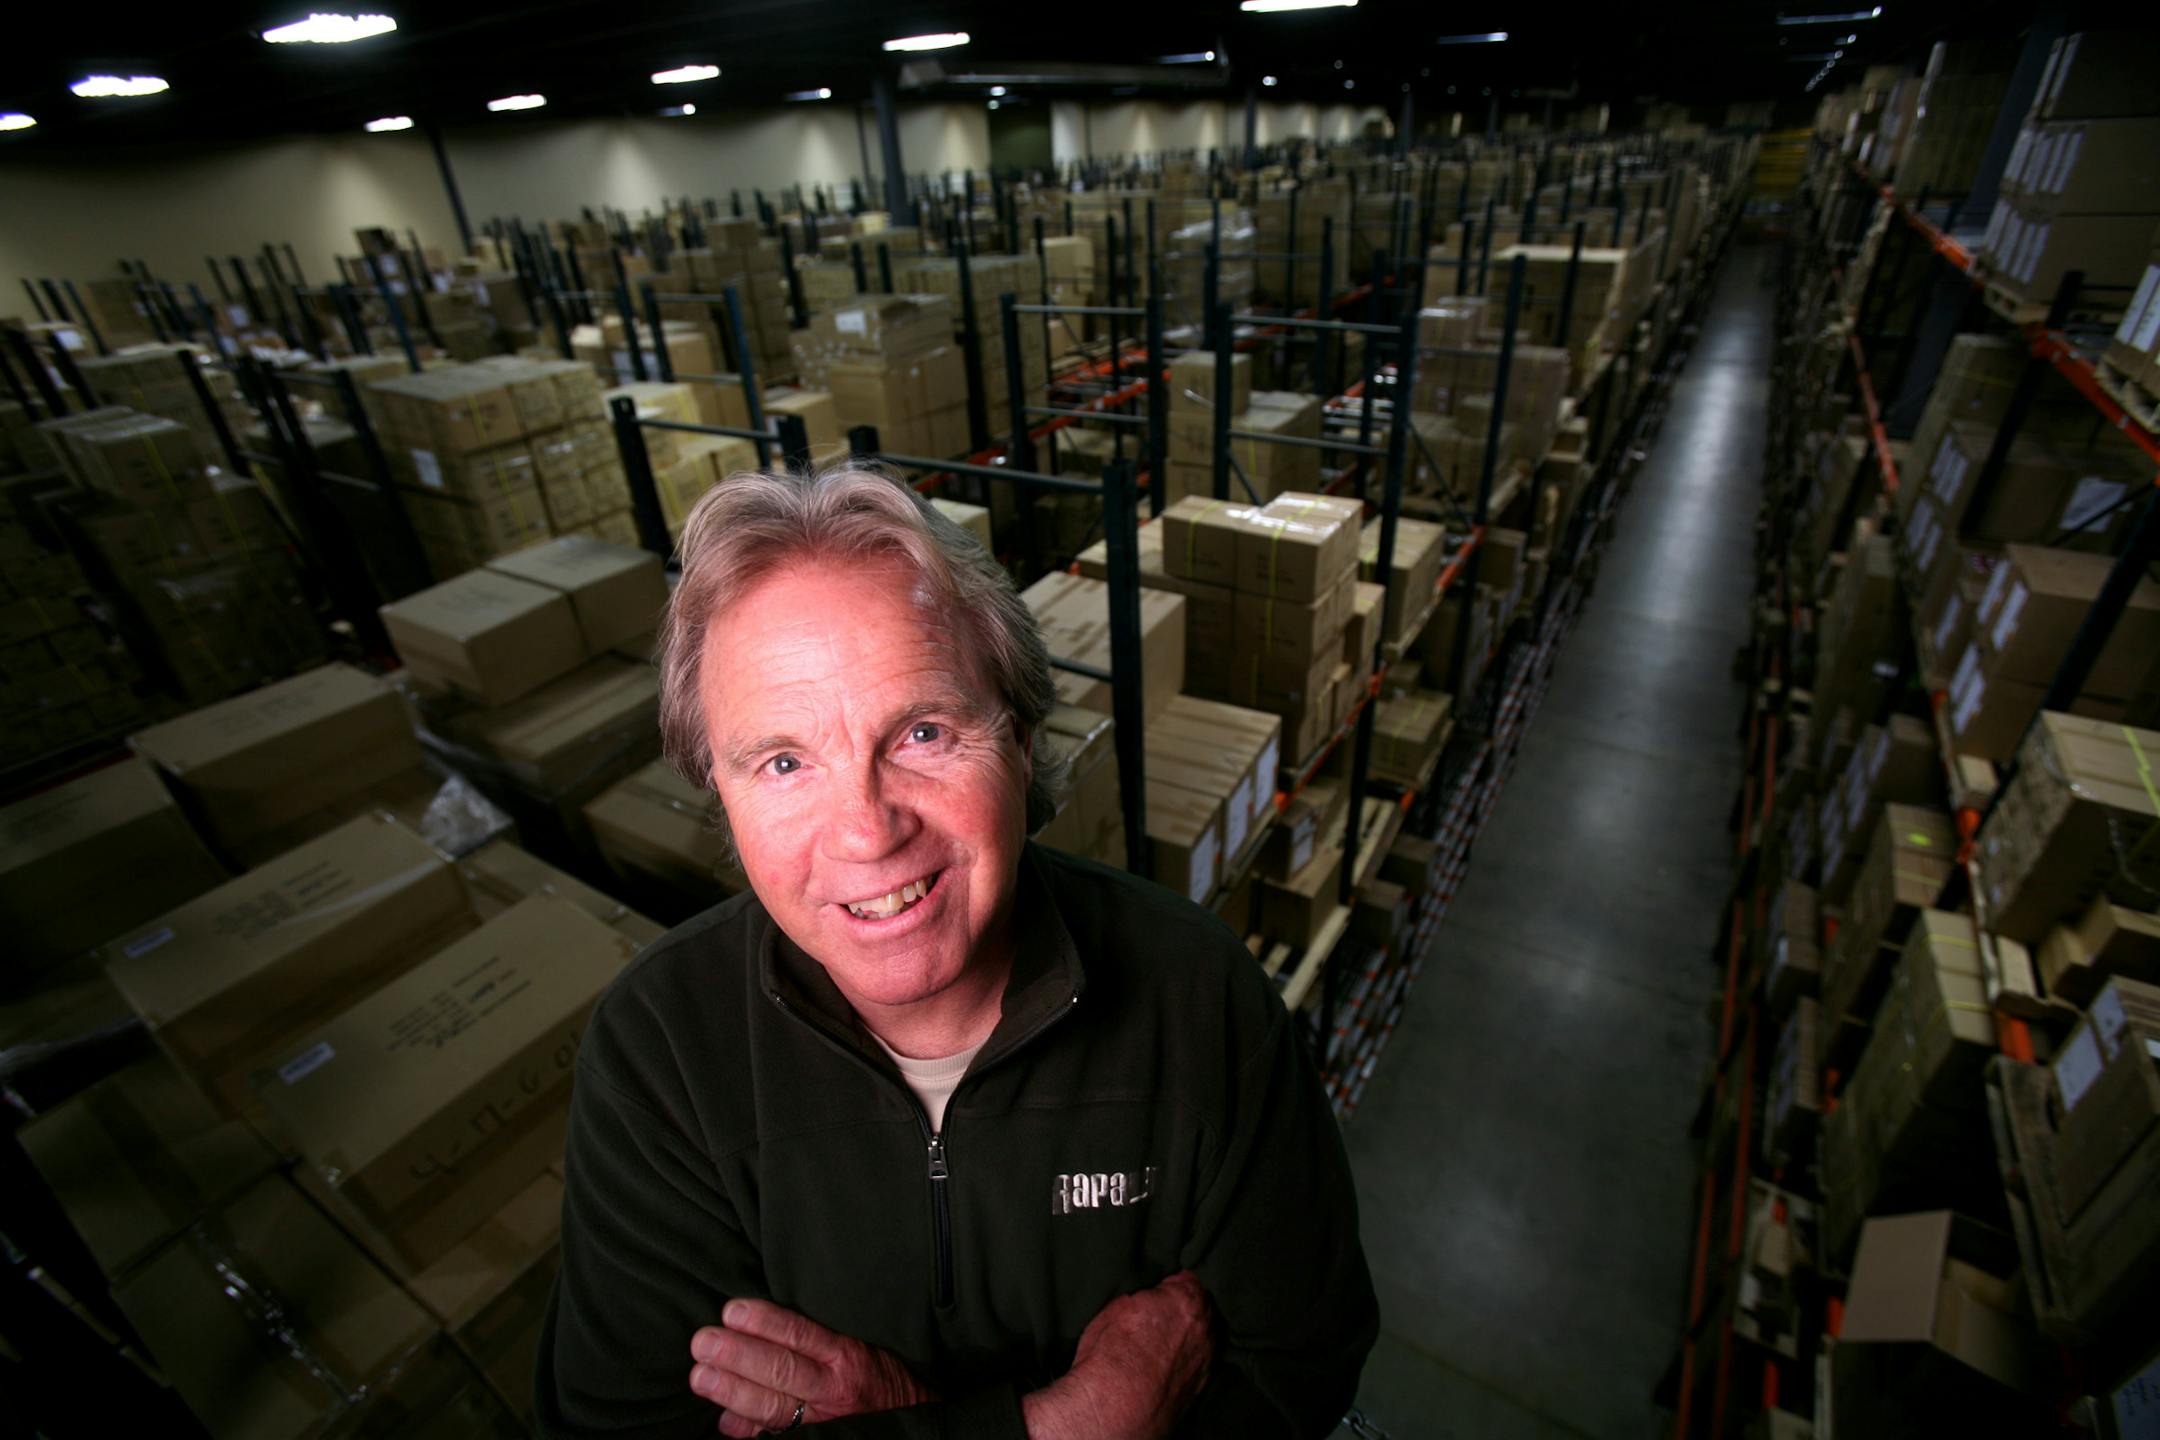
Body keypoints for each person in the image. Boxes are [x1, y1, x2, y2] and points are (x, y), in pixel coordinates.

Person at [535, 466, 1375, 1438]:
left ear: (1019, 738)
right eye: (782, 762)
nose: (864, 831)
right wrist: (1071, 1425)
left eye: (925, 732)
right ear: (719, 790)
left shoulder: (1198, 994)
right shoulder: (661, 1051)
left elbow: (1301, 1368)